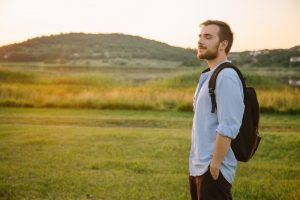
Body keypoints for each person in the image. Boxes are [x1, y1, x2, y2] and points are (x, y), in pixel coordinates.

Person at [189, 20, 245, 200]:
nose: (200, 41)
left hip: (213, 170)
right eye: (200, 36)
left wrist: (215, 165)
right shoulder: (207, 76)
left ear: (223, 44)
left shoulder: (227, 76)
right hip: (198, 166)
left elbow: (229, 125)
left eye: (208, 37)